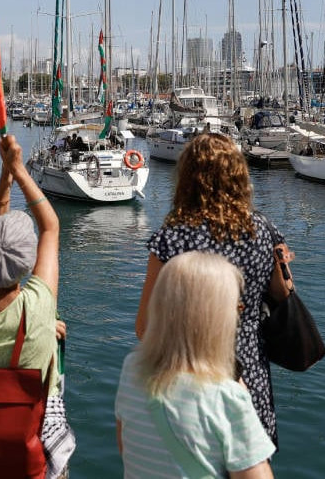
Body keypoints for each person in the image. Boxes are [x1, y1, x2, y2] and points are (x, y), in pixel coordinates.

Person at [136, 132, 291, 446]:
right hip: (249, 368)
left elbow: (145, 327)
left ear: (187, 178)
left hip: (189, 374)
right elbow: (284, 294)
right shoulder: (263, 229)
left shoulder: (173, 236)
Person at [0, 134, 75, 478]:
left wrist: (5, 177)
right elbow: (51, 226)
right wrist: (19, 169)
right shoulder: (37, 305)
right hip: (30, 452)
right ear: (27, 263)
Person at [117, 252, 275, 478]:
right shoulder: (228, 398)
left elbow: (125, 447)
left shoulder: (132, 369)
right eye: (237, 307)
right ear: (218, 318)